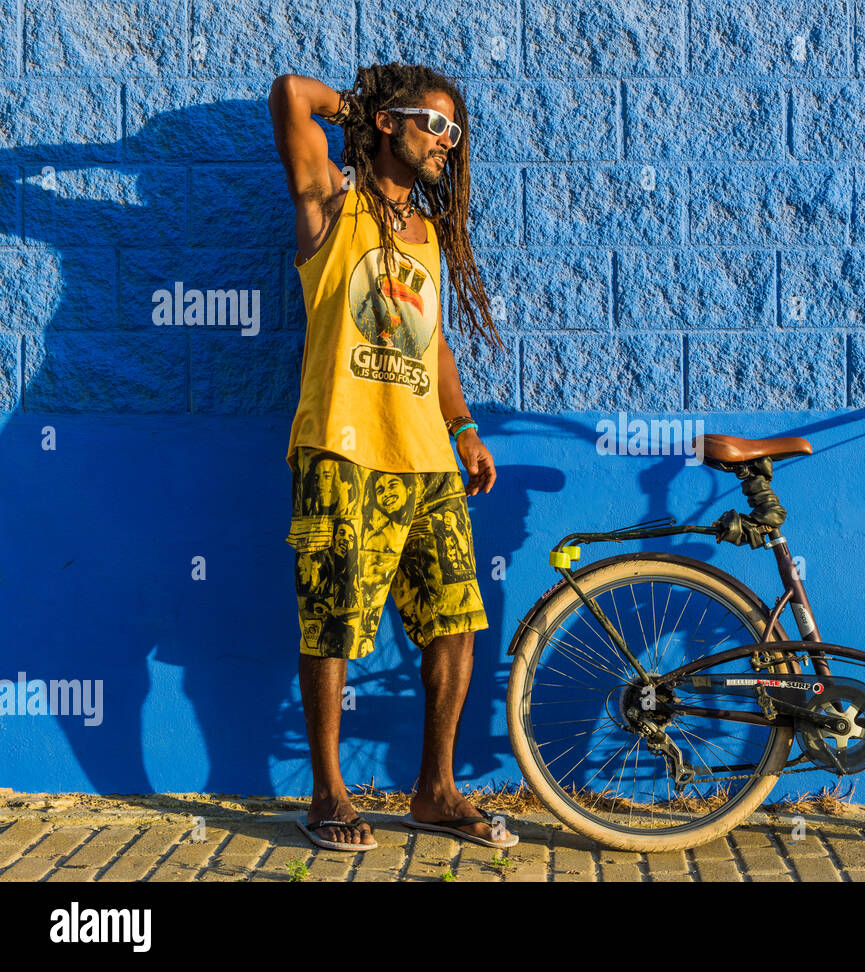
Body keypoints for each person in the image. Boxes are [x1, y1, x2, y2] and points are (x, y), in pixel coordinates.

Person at [269, 62, 514, 851]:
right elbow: (290, 94)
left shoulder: (429, 235)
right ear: (388, 123)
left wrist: (465, 425)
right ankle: (329, 795)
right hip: (342, 448)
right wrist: (364, 104)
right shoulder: (331, 202)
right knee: (334, 621)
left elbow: (433, 337)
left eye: (455, 131)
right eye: (432, 124)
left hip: (426, 458)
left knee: (455, 619)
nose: (448, 141)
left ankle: (436, 791)